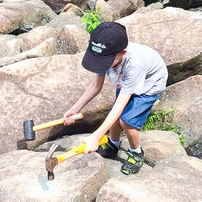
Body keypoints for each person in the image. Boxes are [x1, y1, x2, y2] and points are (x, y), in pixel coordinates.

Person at [63, 21, 168, 175]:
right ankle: (113, 144)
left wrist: (97, 136)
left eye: (104, 61)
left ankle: (136, 152)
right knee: (115, 114)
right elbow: (95, 86)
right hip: (125, 81)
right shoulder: (105, 55)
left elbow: (120, 106)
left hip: (149, 85)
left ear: (123, 53)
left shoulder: (135, 64)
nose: (100, 64)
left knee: (126, 121)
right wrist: (75, 109)